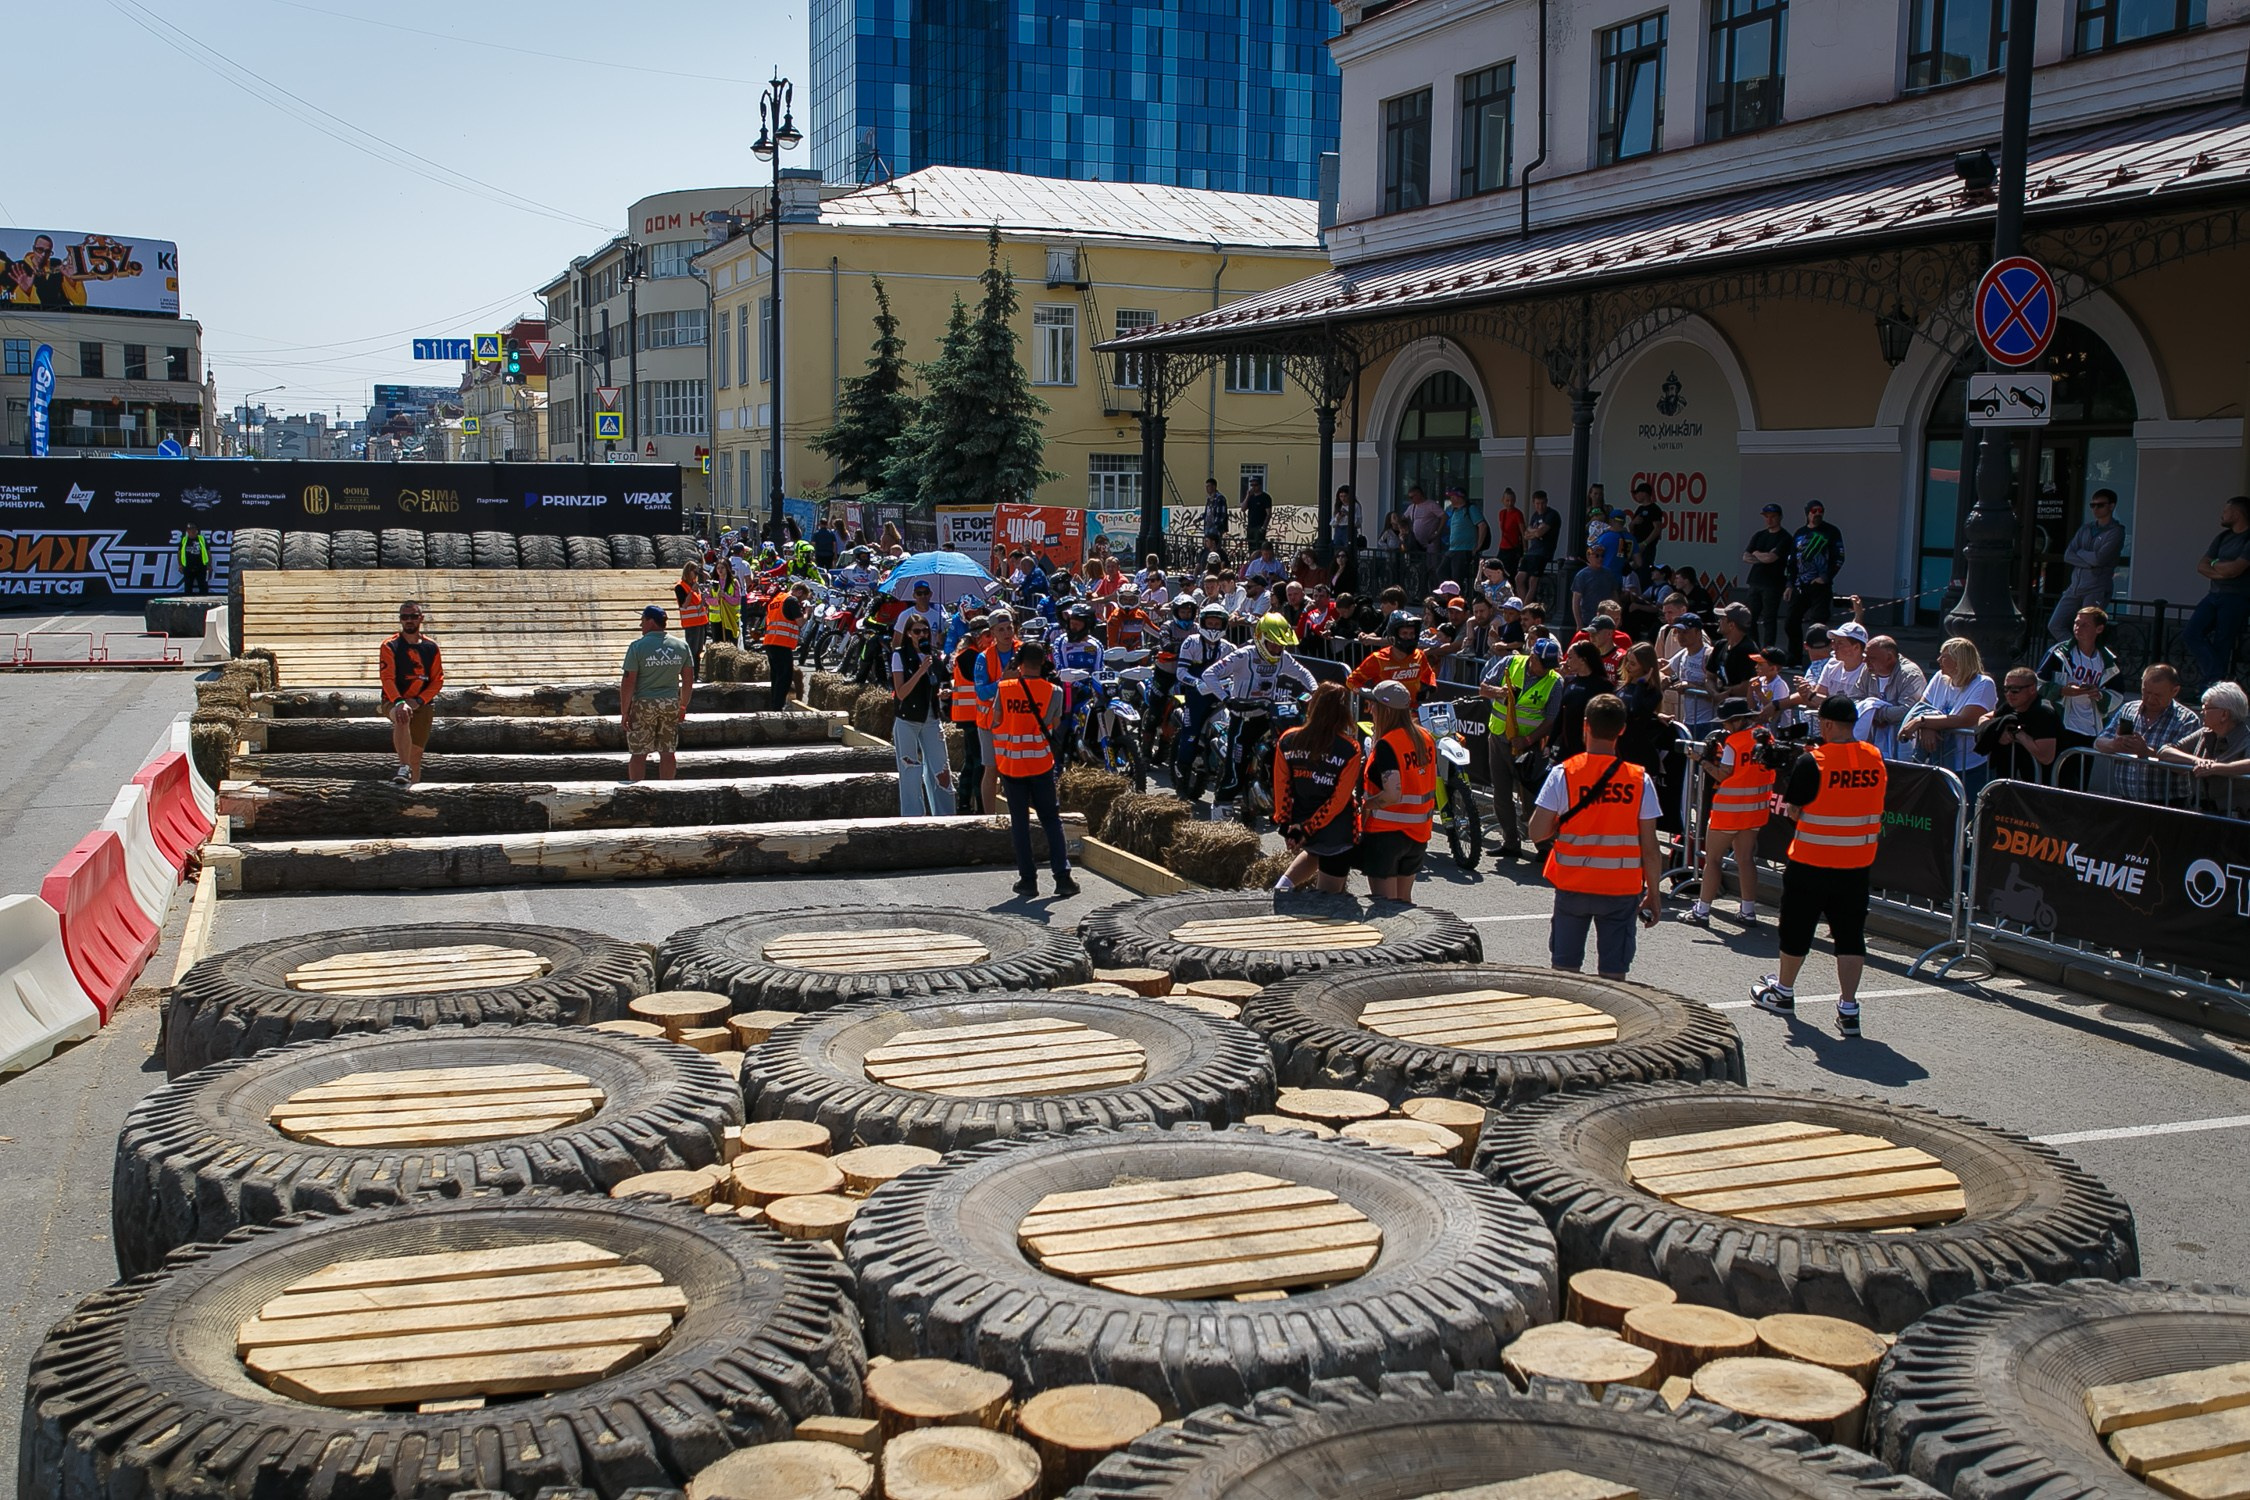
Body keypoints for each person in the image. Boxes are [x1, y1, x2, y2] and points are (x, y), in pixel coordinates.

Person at [1746, 695, 1887, 1035]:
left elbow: (1794, 809)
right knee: (1850, 935)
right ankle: (1849, 1007)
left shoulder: (1814, 762)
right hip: (1856, 864)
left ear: (1825, 724)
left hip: (1812, 861)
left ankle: (1783, 991)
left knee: (1797, 928)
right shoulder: (1875, 757)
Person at [1530, 693, 1663, 979]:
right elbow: (1651, 848)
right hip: (1621, 889)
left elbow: (1536, 832)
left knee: (1565, 971)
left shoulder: (1564, 773)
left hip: (1573, 885)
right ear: (1622, 729)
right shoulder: (1639, 779)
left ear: (1586, 725)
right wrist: (1654, 893)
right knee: (1614, 975)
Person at [990, 640, 1080, 898]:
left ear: (1019, 663)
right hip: (1040, 763)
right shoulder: (1055, 691)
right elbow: (1054, 722)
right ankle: (1062, 877)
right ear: (1043, 662)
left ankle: (1028, 881)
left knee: (1020, 823)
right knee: (1051, 820)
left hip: (1011, 764)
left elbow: (996, 720)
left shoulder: (1005, 687)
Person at [1682, 701, 1772, 927]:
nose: (1725, 726)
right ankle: (1748, 911)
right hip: (1755, 809)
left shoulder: (1734, 742)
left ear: (1738, 719)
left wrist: (1701, 760)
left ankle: (1702, 911)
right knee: (1745, 859)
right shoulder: (1766, 737)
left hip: (1729, 810)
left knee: (1712, 859)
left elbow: (1724, 775)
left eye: (1726, 722)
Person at [1271, 682, 1365, 894]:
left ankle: (1280, 890)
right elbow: (1339, 800)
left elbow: (1282, 787)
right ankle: (1282, 894)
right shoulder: (1350, 748)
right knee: (1327, 903)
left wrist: (1289, 826)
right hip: (1335, 833)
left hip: (1302, 823)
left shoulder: (1288, 739)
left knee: (1312, 854)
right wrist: (1307, 828)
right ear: (1344, 713)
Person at [1482, 634, 1561, 861]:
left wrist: (1528, 741)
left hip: (1528, 747)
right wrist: (1499, 693)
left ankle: (1543, 845)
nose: (1543, 670)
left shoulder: (1554, 681)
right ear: (1532, 657)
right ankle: (1510, 842)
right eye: (1541, 664)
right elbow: (1483, 687)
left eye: (1548, 666)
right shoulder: (1510, 663)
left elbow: (1550, 719)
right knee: (1501, 793)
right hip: (1498, 738)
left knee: (1532, 797)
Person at [1359, 680, 1436, 902]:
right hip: (1418, 835)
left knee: (1386, 910)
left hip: (1386, 836)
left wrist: (1366, 805)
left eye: (1373, 704)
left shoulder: (1388, 744)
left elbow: (1392, 794)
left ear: (1384, 710)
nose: (1370, 708)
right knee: (1404, 903)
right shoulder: (1425, 737)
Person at [1902, 636, 1997, 796]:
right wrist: (1927, 727)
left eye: (1944, 656)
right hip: (1938, 761)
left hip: (1969, 767)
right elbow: (1923, 707)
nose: (1939, 660)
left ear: (1959, 660)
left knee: (1966, 812)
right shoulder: (1940, 677)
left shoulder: (1984, 684)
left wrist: (1922, 722)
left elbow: (1965, 719)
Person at [2096, 663, 2202, 805]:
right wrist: (2115, 745)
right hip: (2127, 800)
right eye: (2146, 692)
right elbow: (2098, 742)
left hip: (2168, 803)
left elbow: (2185, 766)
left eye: (2158, 695)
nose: (2151, 699)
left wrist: (2147, 753)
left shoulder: (2187, 719)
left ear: (2174, 691)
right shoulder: (2129, 709)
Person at [2036, 606, 2123, 775]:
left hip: (2090, 729)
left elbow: (2117, 695)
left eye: (2085, 625)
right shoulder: (2059, 653)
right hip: (2061, 726)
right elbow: (2037, 685)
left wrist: (2099, 695)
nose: (2078, 628)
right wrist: (2061, 691)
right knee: (2055, 778)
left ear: (2099, 629)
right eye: (2076, 623)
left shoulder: (2108, 661)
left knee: (2080, 782)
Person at [889, 610, 955, 815]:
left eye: (925, 631)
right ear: (908, 633)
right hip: (907, 718)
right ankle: (912, 817)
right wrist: (919, 670)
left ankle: (946, 816)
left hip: (931, 718)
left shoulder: (934, 657)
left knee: (941, 768)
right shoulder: (899, 656)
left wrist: (943, 693)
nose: (922, 635)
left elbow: (938, 684)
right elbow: (901, 693)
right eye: (917, 631)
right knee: (910, 770)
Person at [620, 604, 694, 782]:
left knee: (639, 752)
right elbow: (688, 680)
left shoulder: (637, 647)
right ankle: (667, 791)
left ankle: (636, 790)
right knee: (668, 751)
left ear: (651, 621)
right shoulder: (681, 646)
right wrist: (683, 705)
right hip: (670, 703)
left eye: (643, 620)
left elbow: (628, 682)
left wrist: (624, 711)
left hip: (644, 704)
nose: (641, 625)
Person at [2155, 681, 2250, 815]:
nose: (2202, 711)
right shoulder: (2205, 733)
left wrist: (2216, 768)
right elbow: (2164, 751)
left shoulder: (2245, 739)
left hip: (2234, 818)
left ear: (2224, 714)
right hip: (2199, 812)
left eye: (2206, 708)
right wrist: (2197, 761)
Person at [2184, 495, 2250, 685]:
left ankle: (2213, 684)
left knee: (2224, 641)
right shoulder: (2223, 537)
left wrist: (2217, 566)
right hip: (2214, 595)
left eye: (2225, 511)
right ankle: (2218, 676)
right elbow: (2202, 565)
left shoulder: (2247, 539)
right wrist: (2221, 569)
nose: (2222, 515)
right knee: (2191, 632)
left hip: (2237, 598)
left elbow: (2236, 568)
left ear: (2237, 513)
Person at [2047, 489, 2127, 641]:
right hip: (2075, 587)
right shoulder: (2086, 528)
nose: (2095, 509)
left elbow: (2099, 559)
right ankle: (2075, 653)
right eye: (2092, 505)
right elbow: (2068, 555)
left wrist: (2082, 553)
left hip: (2096, 588)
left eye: (2100, 505)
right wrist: (2090, 560)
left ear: (2111, 506)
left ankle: (2088, 656)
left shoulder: (2116, 532)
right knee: (2055, 624)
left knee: (2087, 628)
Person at [380, 600, 442, 785]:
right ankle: (403, 766)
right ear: (400, 620)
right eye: (405, 617)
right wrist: (400, 701)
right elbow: (387, 679)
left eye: (413, 617)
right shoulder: (390, 645)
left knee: (416, 754)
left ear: (420, 619)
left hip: (422, 703)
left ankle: (412, 790)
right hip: (393, 700)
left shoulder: (431, 647)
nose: (409, 621)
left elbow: (437, 680)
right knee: (402, 715)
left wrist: (419, 700)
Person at [1172, 601, 1235, 778]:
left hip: (1222, 693)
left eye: (1217, 624)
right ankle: (1182, 768)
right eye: (1210, 623)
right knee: (1191, 733)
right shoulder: (1190, 643)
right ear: (1203, 623)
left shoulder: (1228, 647)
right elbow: (1181, 672)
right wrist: (1196, 682)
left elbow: (1237, 671)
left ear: (1223, 625)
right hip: (1197, 694)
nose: (1213, 627)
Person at [1976, 668, 2063, 784]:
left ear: (2032, 689)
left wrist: (2017, 734)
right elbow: (1984, 718)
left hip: (2052, 783)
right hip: (2023, 781)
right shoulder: (2011, 705)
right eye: (2006, 689)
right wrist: (1999, 732)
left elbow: (2046, 757)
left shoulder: (2043, 712)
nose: (2009, 694)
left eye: (2015, 690)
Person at [1786, 500, 1844, 659]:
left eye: (1821, 511)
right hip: (1800, 585)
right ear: (1807, 513)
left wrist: (1825, 577)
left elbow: (1839, 557)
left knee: (1818, 625)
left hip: (1820, 587)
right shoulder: (1800, 533)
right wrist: (1789, 583)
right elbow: (1791, 560)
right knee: (1791, 622)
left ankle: (1815, 658)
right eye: (1814, 511)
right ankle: (1794, 656)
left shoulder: (1831, 531)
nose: (1817, 513)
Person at [1348, 611, 1439, 706]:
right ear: (1394, 635)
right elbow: (1351, 681)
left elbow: (1428, 674)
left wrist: (1428, 688)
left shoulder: (1419, 655)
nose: (1408, 637)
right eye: (1404, 633)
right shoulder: (1378, 659)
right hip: (1386, 710)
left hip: (1411, 710)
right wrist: (1372, 695)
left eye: (1412, 633)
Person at [948, 612, 990, 811]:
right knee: (978, 761)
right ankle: (979, 804)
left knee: (972, 760)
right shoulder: (971, 656)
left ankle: (964, 802)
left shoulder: (967, 653)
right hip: (973, 714)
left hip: (970, 714)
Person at [1862, 635, 1928, 760]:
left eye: (1871, 658)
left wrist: (1871, 714)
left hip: (1901, 745)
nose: (1865, 662)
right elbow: (1855, 698)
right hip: (1873, 743)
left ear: (1889, 657)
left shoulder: (1910, 674)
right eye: (1865, 657)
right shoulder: (1868, 670)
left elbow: (1906, 711)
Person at [1548, 640, 1612, 761]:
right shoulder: (1569, 681)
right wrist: (1549, 743)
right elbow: (1561, 714)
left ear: (1583, 660)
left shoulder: (1603, 685)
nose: (1566, 661)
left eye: (1571, 657)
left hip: (1588, 748)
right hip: (1566, 746)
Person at [1740, 504, 1793, 648]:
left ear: (1780, 517)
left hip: (1773, 583)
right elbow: (1745, 556)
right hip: (1755, 581)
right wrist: (1762, 556)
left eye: (1773, 517)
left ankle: (1768, 650)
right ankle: (1754, 646)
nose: (1769, 520)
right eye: (1767, 517)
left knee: (1769, 619)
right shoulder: (1759, 535)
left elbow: (1772, 558)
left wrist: (1757, 554)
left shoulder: (1785, 537)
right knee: (1750, 617)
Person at [761, 580, 809, 713]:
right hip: (781, 643)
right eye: (803, 598)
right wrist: (807, 612)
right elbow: (800, 622)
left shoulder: (776, 599)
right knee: (785, 677)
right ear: (799, 592)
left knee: (776, 676)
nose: (801, 602)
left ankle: (774, 705)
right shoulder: (792, 600)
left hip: (770, 641)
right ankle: (778, 708)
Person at [1442, 485, 1488, 590]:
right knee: (1441, 571)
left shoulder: (1470, 509)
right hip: (1452, 549)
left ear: (1460, 497)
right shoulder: (1454, 511)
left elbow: (1482, 525)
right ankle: (1448, 594)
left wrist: (1478, 545)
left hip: (1463, 549)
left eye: (1453, 497)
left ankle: (1459, 600)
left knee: (1457, 578)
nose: (1451, 500)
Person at [1518, 490, 1558, 603]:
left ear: (1546, 502)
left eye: (1543, 503)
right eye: (1537, 504)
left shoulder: (1552, 515)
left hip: (1543, 552)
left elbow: (1540, 533)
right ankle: (1522, 606)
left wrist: (1535, 533)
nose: (1540, 506)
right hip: (1531, 552)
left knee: (1533, 580)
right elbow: (1526, 534)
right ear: (1533, 503)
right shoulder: (1535, 516)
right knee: (1519, 578)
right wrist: (1535, 532)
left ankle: (1526, 609)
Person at [673, 563, 711, 660]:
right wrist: (691, 591)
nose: (696, 575)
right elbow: (684, 605)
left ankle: (696, 674)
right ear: (688, 572)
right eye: (695, 572)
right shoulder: (680, 587)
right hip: (691, 623)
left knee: (699, 650)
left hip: (701, 622)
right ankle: (691, 673)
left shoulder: (695, 585)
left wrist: (704, 598)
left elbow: (697, 604)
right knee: (692, 651)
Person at [1628, 481, 1665, 572]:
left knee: (1644, 570)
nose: (1636, 496)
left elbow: (1657, 529)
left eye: (1637, 493)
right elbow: (1631, 528)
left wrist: (1645, 543)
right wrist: (1633, 523)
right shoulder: (1640, 509)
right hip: (1636, 543)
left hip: (1647, 547)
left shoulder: (1654, 509)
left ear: (1644, 493)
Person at [1493, 488, 1525, 584]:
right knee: (1498, 570)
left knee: (1510, 573)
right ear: (1503, 501)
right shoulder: (1502, 513)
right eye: (1507, 500)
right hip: (1503, 546)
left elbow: (1523, 532)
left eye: (1512, 500)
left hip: (1513, 548)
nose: (1510, 503)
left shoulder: (1517, 514)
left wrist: (1525, 550)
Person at [1201, 478, 1229, 563]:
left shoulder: (1220, 498)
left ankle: (1215, 563)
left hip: (1216, 528)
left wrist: (1216, 526)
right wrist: (1200, 518)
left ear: (1214, 487)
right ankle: (1207, 562)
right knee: (1207, 547)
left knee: (1215, 547)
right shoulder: (1209, 498)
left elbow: (1222, 514)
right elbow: (1207, 512)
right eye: (1206, 486)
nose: (1207, 488)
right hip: (1208, 526)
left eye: (1209, 486)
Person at [177, 523, 210, 594]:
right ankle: (187, 603)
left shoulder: (201, 539)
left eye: (193, 529)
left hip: (201, 567)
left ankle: (204, 602)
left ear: (196, 530)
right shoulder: (184, 540)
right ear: (187, 531)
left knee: (203, 587)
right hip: (188, 567)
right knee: (188, 588)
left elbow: (208, 552)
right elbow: (179, 553)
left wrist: (209, 565)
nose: (192, 531)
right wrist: (180, 565)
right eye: (189, 529)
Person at [1244, 474, 1272, 552]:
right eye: (1251, 485)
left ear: (1260, 485)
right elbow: (1243, 508)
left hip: (1259, 527)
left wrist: (1263, 527)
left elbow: (1268, 514)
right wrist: (1247, 496)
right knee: (1251, 547)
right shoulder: (1251, 497)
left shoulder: (1265, 497)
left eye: (1255, 485)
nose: (1253, 487)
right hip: (1250, 526)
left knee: (1258, 548)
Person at [1333, 484, 1361, 549]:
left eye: (1345, 496)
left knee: (1348, 548)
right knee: (1337, 548)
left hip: (1349, 528)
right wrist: (1338, 518)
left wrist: (1348, 514)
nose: (1343, 499)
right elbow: (1333, 522)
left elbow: (1358, 522)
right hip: (1339, 528)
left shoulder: (1355, 505)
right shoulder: (1338, 506)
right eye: (1341, 496)